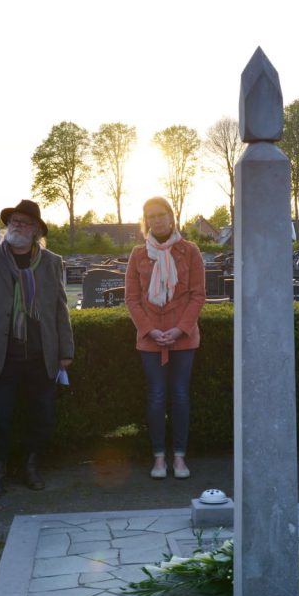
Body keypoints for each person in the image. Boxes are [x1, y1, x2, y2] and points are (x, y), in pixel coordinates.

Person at [0, 199, 74, 500]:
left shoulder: (51, 261)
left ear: (37, 230)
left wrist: (66, 351)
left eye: (25, 222)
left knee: (42, 416)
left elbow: (60, 310)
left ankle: (31, 467)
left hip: (42, 354)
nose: (17, 226)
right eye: (13, 221)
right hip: (4, 354)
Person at [125, 197, 206, 480]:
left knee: (181, 396)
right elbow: (132, 299)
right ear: (146, 221)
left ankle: (180, 458)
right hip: (151, 340)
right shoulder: (138, 255)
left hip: (183, 338)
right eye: (151, 216)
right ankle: (159, 458)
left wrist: (180, 329)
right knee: (157, 396)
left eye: (162, 214)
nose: (157, 220)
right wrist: (150, 330)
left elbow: (197, 295)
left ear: (171, 217)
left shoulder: (190, 251)